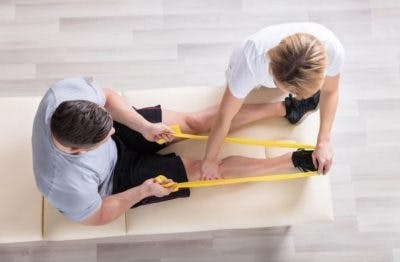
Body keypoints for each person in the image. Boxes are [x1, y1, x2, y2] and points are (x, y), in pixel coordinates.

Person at [32, 77, 316, 225]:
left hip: (125, 133)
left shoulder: (65, 96)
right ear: (75, 150)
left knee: (194, 123)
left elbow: (106, 96)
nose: (113, 133)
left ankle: (287, 108)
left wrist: (144, 126)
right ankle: (294, 159)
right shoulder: (64, 184)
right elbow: (98, 216)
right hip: (116, 180)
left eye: (110, 128)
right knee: (201, 170)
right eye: (105, 136)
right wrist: (143, 192)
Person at [200, 22, 345, 180]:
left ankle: (290, 108)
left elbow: (330, 91)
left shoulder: (332, 50)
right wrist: (209, 159)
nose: (285, 92)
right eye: (280, 86)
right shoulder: (249, 64)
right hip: (252, 68)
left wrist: (324, 141)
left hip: (281, 71)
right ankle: (288, 107)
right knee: (203, 121)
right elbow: (224, 116)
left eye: (292, 92)